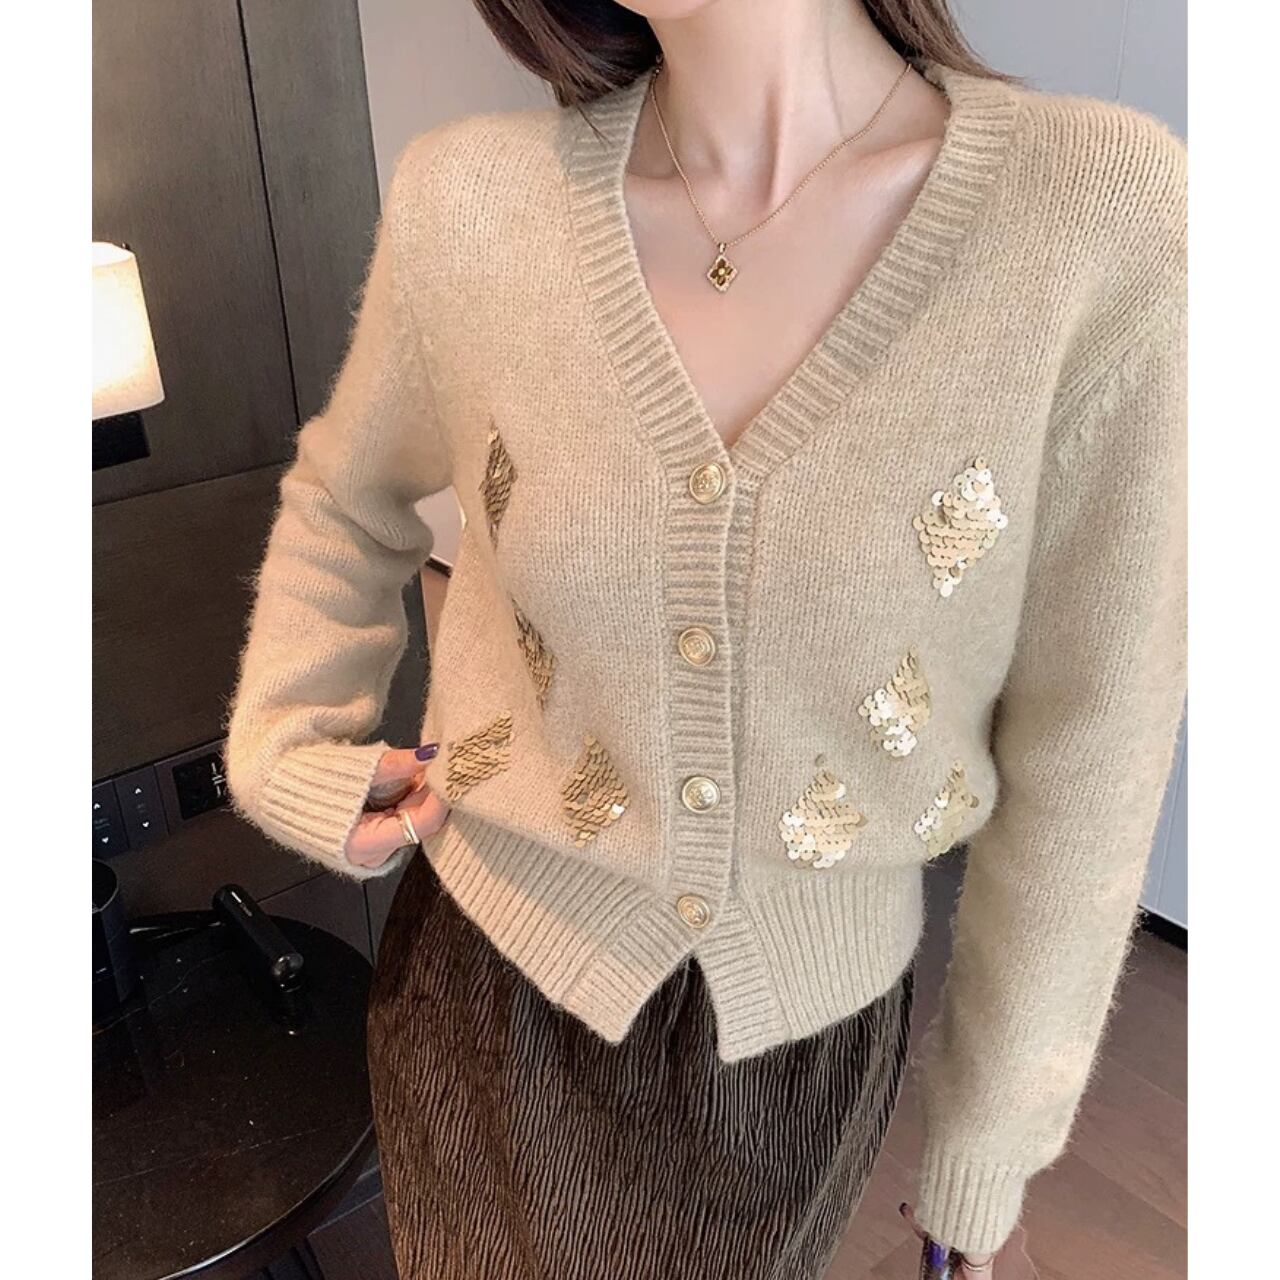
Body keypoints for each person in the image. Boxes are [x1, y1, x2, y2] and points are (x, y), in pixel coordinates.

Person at [224, 1, 1187, 1276]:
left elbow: (1095, 730)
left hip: (796, 1058)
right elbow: (347, 499)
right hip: (482, 997)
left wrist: (989, 1140)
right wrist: (288, 740)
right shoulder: (467, 202)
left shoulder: (1092, 216)